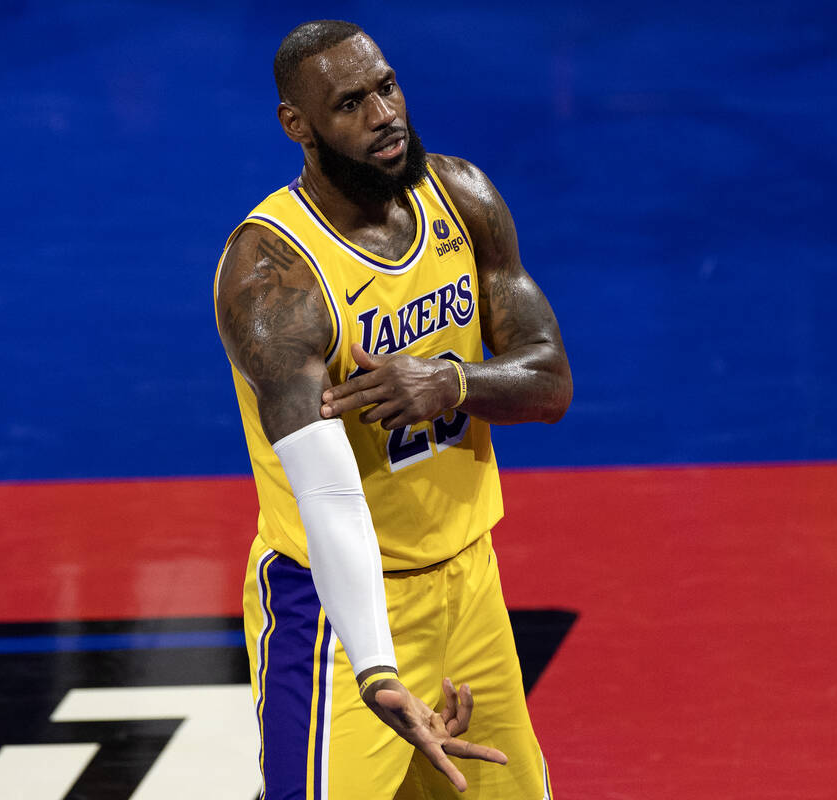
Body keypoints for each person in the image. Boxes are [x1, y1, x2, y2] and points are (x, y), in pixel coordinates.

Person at [213, 19, 572, 800]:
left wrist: (454, 382)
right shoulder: (273, 280)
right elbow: (329, 500)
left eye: (386, 87)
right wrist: (378, 670)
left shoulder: (462, 198)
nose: (384, 115)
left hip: (467, 582)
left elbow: (550, 384)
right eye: (350, 104)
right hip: (337, 619)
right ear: (297, 126)